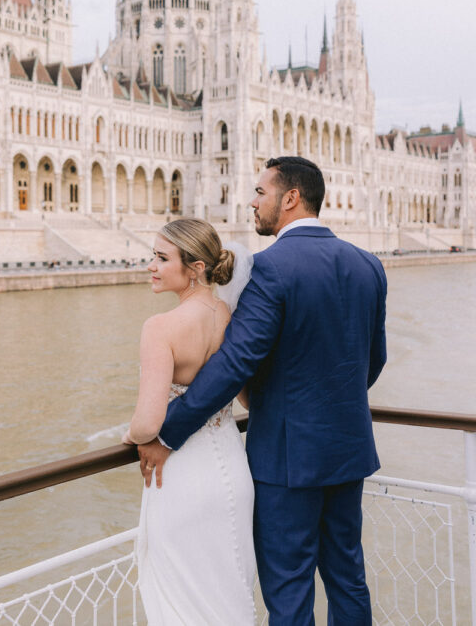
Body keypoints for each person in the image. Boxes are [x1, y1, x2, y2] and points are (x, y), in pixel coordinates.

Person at [139, 156, 387, 625]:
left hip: (287, 460)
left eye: (259, 192)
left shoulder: (270, 269)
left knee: (288, 588)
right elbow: (372, 362)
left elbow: (235, 363)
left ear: (290, 198)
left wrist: (168, 432)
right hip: (348, 448)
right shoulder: (368, 265)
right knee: (348, 577)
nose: (252, 202)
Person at [123, 218, 256, 625]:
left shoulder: (160, 327)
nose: (151, 266)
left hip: (180, 476)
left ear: (196, 268)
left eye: (162, 258)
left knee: (183, 600)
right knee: (228, 588)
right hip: (232, 468)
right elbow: (246, 397)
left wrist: (129, 434)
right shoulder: (229, 316)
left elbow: (149, 423)